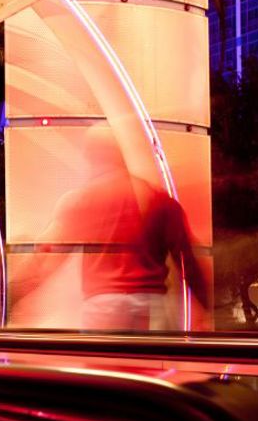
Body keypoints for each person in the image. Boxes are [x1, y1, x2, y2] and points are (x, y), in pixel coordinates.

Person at [20, 132, 209, 331]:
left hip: (104, 306)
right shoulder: (157, 198)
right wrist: (205, 307)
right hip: (151, 304)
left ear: (94, 159)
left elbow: (49, 253)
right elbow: (187, 260)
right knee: (150, 361)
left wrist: (19, 296)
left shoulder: (83, 200)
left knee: (105, 361)